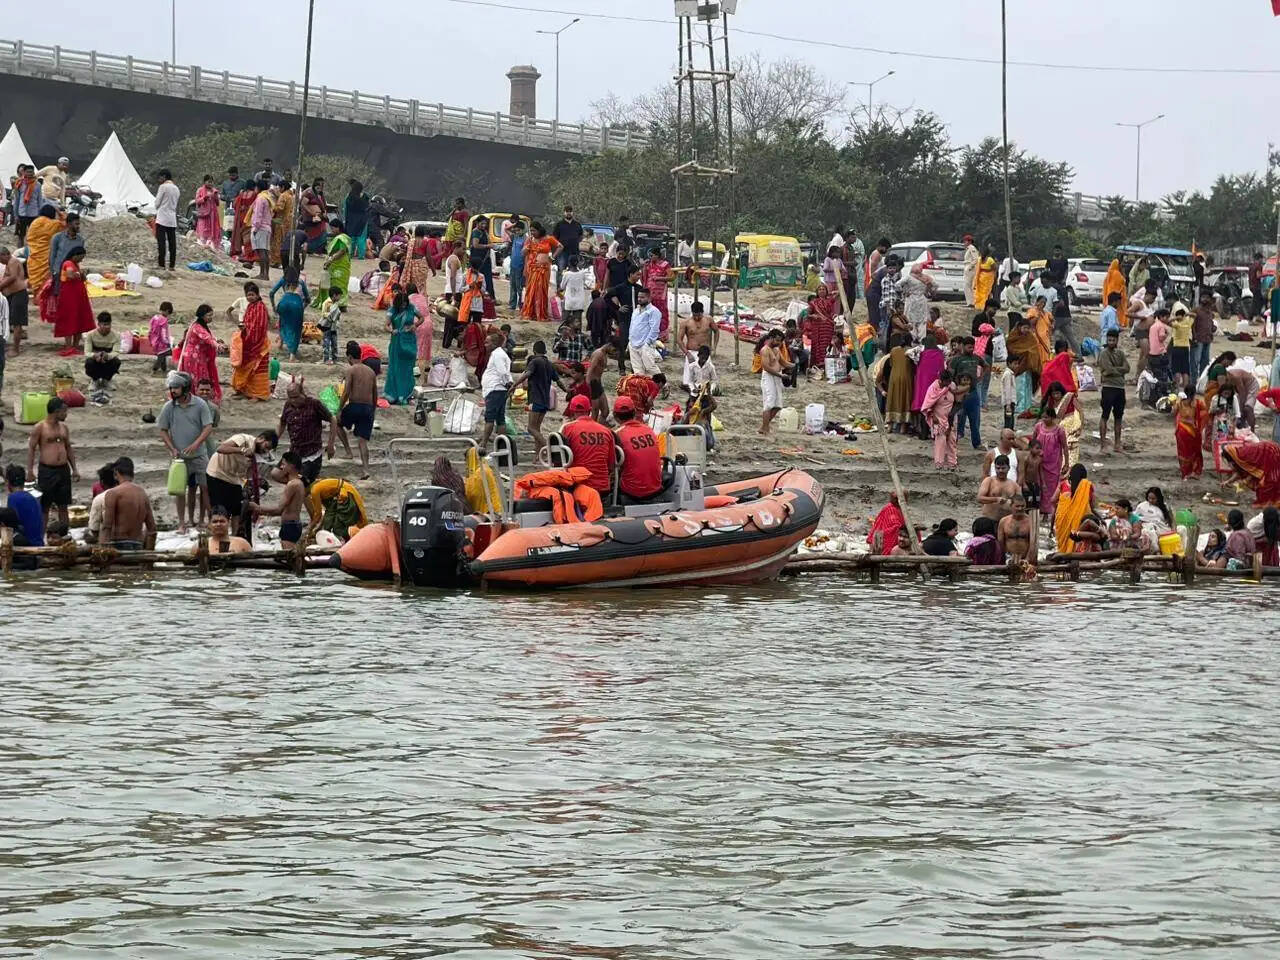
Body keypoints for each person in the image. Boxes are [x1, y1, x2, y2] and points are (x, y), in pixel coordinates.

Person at [158, 371, 215, 533]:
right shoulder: (169, 407)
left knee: (205, 488)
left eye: (176, 387)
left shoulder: (200, 405)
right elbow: (163, 430)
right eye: (171, 388)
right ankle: (182, 523)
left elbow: (208, 426)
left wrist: (196, 444)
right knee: (180, 490)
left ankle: (211, 520)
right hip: (179, 459)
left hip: (200, 455)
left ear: (186, 388)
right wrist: (172, 448)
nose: (173, 391)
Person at [206, 430, 279, 535]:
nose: (265, 451)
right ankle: (217, 536)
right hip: (217, 473)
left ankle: (234, 537)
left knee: (237, 509)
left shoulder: (258, 454)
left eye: (268, 450)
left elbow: (248, 473)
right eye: (266, 447)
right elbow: (220, 448)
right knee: (220, 510)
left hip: (234, 478)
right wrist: (242, 450)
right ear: (261, 439)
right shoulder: (243, 439)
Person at [27, 396, 78, 531]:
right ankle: (42, 536)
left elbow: (68, 447)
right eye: (64, 411)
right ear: (56, 411)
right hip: (47, 471)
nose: (66, 414)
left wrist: (75, 469)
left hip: (63, 470)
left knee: (63, 505)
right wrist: (30, 471)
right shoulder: (40, 427)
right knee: (45, 506)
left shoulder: (64, 428)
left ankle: (64, 535)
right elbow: (31, 448)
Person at [277, 378, 336, 487]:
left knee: (297, 485)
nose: (293, 400)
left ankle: (305, 490)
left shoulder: (314, 404)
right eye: (291, 398)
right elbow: (282, 422)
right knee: (276, 474)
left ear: (302, 393)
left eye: (296, 397)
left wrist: (331, 444)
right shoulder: (288, 405)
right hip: (294, 451)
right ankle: (306, 490)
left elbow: (333, 419)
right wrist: (275, 439)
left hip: (311, 452)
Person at [510, 339, 561, 455]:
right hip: (545, 401)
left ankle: (550, 450)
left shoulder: (535, 361)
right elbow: (558, 381)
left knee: (531, 428)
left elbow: (526, 375)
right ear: (545, 350)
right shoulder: (549, 364)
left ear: (534, 351)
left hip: (535, 400)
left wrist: (514, 385)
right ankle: (538, 456)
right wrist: (567, 390)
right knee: (536, 429)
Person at [336, 341, 378, 479]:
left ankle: (348, 452)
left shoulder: (351, 370)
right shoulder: (371, 372)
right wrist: (373, 411)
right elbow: (375, 394)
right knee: (362, 441)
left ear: (349, 357)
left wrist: (339, 409)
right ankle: (366, 469)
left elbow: (346, 391)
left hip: (355, 406)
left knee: (336, 423)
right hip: (368, 409)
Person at [251, 450, 307, 548]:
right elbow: (276, 476)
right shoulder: (299, 483)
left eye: (284, 464)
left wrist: (258, 508)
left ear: (291, 466)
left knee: (289, 557)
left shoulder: (292, 484)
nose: (281, 467)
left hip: (290, 526)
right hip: (293, 524)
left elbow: (279, 510)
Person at [560, 394, 614, 493]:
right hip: (602, 488)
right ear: (589, 411)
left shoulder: (567, 428)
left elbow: (560, 461)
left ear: (572, 412)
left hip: (578, 488)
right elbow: (611, 466)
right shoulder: (606, 431)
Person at [613, 396, 662, 502]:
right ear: (634, 412)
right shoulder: (649, 430)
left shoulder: (617, 435)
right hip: (655, 487)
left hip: (632, 491)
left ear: (615, 416)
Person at [100, 457, 155, 550]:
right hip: (138, 544)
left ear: (116, 473)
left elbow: (107, 526)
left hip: (118, 545)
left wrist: (102, 552)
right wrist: (149, 556)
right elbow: (152, 530)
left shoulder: (113, 493)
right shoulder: (142, 494)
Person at [175, 304, 222, 405]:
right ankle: (196, 398)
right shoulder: (197, 327)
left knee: (197, 377)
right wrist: (217, 345)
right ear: (202, 316)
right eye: (209, 315)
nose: (211, 318)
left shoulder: (199, 325)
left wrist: (217, 341)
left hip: (197, 355)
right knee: (198, 377)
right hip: (194, 357)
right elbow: (206, 338)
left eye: (211, 315)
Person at [231, 282, 271, 401]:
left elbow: (259, 326)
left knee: (257, 369)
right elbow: (248, 322)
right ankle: (242, 390)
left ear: (257, 295)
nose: (250, 297)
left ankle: (258, 394)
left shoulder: (260, 307)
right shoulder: (250, 306)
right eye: (248, 295)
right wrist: (244, 329)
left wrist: (248, 332)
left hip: (258, 343)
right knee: (242, 366)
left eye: (252, 295)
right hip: (247, 341)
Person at [383, 290, 421, 406]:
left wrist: (415, 325)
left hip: (409, 341)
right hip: (397, 342)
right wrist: (392, 330)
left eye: (405, 303)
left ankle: (407, 394)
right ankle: (395, 394)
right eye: (402, 304)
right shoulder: (392, 311)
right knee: (396, 367)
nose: (404, 306)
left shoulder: (412, 308)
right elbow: (386, 325)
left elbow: (422, 318)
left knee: (408, 368)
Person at [921, 369, 962, 469]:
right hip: (938, 418)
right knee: (941, 440)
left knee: (952, 439)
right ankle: (939, 463)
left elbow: (958, 401)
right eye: (946, 382)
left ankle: (952, 463)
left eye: (949, 381)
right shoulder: (933, 388)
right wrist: (933, 416)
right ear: (941, 380)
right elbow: (928, 403)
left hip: (951, 416)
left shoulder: (952, 386)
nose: (948, 384)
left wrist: (951, 416)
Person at [1097, 328, 1129, 454]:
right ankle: (1103, 445)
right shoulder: (1104, 353)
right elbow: (1107, 370)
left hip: (1120, 388)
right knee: (1105, 415)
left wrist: (1113, 371)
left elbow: (1127, 368)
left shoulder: (1120, 353)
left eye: (1113, 340)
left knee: (1118, 417)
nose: (1111, 342)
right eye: (1109, 340)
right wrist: (1119, 371)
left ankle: (1117, 444)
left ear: (1117, 340)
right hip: (1108, 387)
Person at [1031, 404, 1066, 515]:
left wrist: (1067, 463)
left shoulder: (1059, 430)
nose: (1044, 420)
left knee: (1051, 487)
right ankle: (1040, 510)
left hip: (1054, 463)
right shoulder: (1038, 427)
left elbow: (1065, 446)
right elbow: (1033, 441)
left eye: (1046, 417)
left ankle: (1050, 511)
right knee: (1040, 485)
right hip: (1039, 461)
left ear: (1052, 417)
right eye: (1043, 417)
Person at [520, 221, 560, 321]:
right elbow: (523, 253)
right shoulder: (529, 240)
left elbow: (560, 247)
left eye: (534, 230)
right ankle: (530, 313)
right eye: (531, 231)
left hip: (544, 269)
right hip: (532, 268)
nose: (532, 232)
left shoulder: (548, 238)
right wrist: (527, 248)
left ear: (539, 230)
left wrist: (552, 258)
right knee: (531, 290)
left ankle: (541, 314)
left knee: (541, 291)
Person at [1054, 462, 1096, 554]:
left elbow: (1053, 500)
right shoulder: (1087, 486)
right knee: (1079, 543)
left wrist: (1060, 508)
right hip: (1081, 519)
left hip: (1062, 520)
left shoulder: (1063, 484)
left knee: (1063, 545)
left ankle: (1063, 556)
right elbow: (1092, 505)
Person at [480, 330, 512, 451]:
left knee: (490, 417)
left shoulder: (497, 354)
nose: (485, 345)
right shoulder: (501, 354)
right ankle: (502, 444)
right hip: (499, 389)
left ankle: (484, 443)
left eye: (487, 343)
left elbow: (502, 372)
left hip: (495, 389)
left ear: (494, 344)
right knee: (500, 418)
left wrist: (507, 383)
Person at [24, 204, 62, 305]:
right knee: (45, 280)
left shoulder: (34, 223)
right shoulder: (53, 224)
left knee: (36, 281)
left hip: (32, 258)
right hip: (45, 259)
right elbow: (66, 223)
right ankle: (40, 298)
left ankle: (37, 296)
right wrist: (60, 213)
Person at [270, 269, 311, 361]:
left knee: (283, 322)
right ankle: (292, 355)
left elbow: (271, 293)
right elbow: (308, 299)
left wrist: (273, 306)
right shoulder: (300, 282)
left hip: (284, 303)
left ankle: (280, 343)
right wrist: (302, 308)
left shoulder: (283, 280)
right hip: (297, 304)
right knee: (296, 329)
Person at [313, 219, 353, 308]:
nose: (331, 230)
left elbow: (342, 251)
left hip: (341, 265)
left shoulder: (342, 238)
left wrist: (331, 259)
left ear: (338, 228)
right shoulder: (338, 238)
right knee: (332, 283)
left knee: (339, 284)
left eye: (333, 228)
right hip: (335, 265)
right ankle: (334, 303)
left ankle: (341, 304)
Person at [2, 464, 44, 547]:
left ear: (8, 483)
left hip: (26, 546)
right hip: (38, 543)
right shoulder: (33, 498)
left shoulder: (13, 498)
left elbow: (11, 524)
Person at [628, 287, 663, 377]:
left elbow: (655, 330)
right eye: (638, 297)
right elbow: (632, 326)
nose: (639, 299)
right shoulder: (636, 311)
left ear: (649, 298)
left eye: (642, 297)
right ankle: (643, 389)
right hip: (633, 344)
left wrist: (647, 343)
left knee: (650, 368)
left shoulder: (654, 311)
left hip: (645, 345)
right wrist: (630, 341)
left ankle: (665, 387)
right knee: (638, 371)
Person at [1, 246, 29, 356]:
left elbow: (12, 277)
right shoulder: (9, 263)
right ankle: (11, 346)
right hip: (12, 295)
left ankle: (16, 349)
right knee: (11, 321)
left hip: (19, 294)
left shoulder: (13, 261)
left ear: (5, 255)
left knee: (17, 323)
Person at [83, 311, 121, 392]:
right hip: (95, 360)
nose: (106, 327)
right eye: (104, 325)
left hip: (107, 359)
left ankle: (107, 380)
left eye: (108, 324)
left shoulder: (116, 335)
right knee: (89, 362)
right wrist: (95, 355)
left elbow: (116, 352)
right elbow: (87, 352)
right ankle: (94, 380)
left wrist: (107, 356)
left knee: (116, 362)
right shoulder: (90, 335)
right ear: (99, 324)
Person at [759, 329, 786, 435]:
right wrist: (780, 374)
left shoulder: (777, 350)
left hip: (777, 378)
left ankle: (763, 426)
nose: (779, 343)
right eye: (777, 340)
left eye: (780, 341)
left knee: (778, 405)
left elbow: (784, 362)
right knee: (769, 404)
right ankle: (765, 428)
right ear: (771, 338)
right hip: (768, 377)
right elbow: (765, 367)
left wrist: (794, 366)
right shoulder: (765, 350)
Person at [978, 454, 1020, 521]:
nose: (1000, 470)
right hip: (989, 519)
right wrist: (995, 499)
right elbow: (979, 498)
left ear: (1008, 468)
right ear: (995, 468)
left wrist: (1012, 502)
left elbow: (1021, 503)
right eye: (998, 468)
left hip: (1006, 521)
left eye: (1003, 468)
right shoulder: (989, 481)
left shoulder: (1014, 485)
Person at [898, 261, 933, 342]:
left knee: (910, 320)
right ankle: (922, 341)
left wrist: (904, 292)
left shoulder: (908, 278)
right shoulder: (926, 278)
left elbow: (897, 285)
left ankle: (912, 339)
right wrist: (928, 292)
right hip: (922, 301)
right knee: (922, 322)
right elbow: (935, 286)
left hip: (911, 300)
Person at [153, 168, 180, 272]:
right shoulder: (176, 188)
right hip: (172, 219)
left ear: (164, 177)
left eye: (160, 177)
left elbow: (157, 203)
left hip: (162, 218)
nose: (159, 179)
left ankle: (161, 264)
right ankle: (172, 265)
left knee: (161, 242)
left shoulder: (163, 187)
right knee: (172, 243)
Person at [586, 341, 618, 423]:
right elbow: (591, 368)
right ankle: (592, 428)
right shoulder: (599, 354)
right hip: (593, 382)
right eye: (613, 350)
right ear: (609, 345)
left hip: (598, 383)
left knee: (605, 411)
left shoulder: (603, 354)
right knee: (595, 410)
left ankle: (598, 427)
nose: (613, 353)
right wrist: (588, 381)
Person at [996, 495, 1034, 565]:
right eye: (1017, 506)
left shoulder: (1031, 521)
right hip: (1008, 559)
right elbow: (1000, 543)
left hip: (1025, 559)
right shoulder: (1004, 521)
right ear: (1011, 506)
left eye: (1022, 506)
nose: (1020, 508)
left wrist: (1027, 560)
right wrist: (1004, 559)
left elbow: (1033, 543)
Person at [342, 181, 371, 259]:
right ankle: (361, 256)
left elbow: (345, 210)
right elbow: (367, 208)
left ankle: (350, 255)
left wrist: (345, 220)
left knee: (352, 238)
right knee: (361, 239)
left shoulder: (349, 197)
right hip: (362, 221)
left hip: (351, 221)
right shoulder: (365, 197)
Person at [551, 205, 584, 273]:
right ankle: (561, 284)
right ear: (564, 213)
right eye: (567, 211)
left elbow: (581, 236)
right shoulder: (559, 225)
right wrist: (554, 253)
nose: (569, 213)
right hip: (562, 253)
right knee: (562, 270)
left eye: (570, 211)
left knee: (575, 272)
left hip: (575, 252)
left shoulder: (577, 224)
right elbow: (554, 239)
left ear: (572, 213)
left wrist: (577, 243)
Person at [193, 174, 221, 248]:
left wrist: (215, 195)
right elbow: (197, 201)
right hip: (203, 214)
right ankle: (202, 244)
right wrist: (204, 198)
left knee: (212, 229)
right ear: (204, 182)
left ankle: (212, 245)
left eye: (211, 182)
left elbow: (218, 203)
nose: (210, 183)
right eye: (209, 182)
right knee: (202, 229)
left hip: (212, 214)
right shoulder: (200, 190)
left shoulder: (214, 191)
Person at [973, 245, 997, 310]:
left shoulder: (990, 260)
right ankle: (979, 305)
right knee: (979, 292)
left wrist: (994, 276)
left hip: (988, 279)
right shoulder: (979, 259)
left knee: (986, 293)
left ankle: (984, 305)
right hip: (980, 279)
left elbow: (995, 268)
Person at [962, 235, 979, 307]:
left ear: (969, 241)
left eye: (965, 241)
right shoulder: (968, 248)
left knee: (967, 285)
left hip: (970, 268)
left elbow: (976, 259)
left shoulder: (972, 248)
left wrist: (970, 266)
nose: (964, 243)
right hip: (968, 266)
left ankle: (970, 302)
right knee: (969, 286)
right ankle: (970, 302)